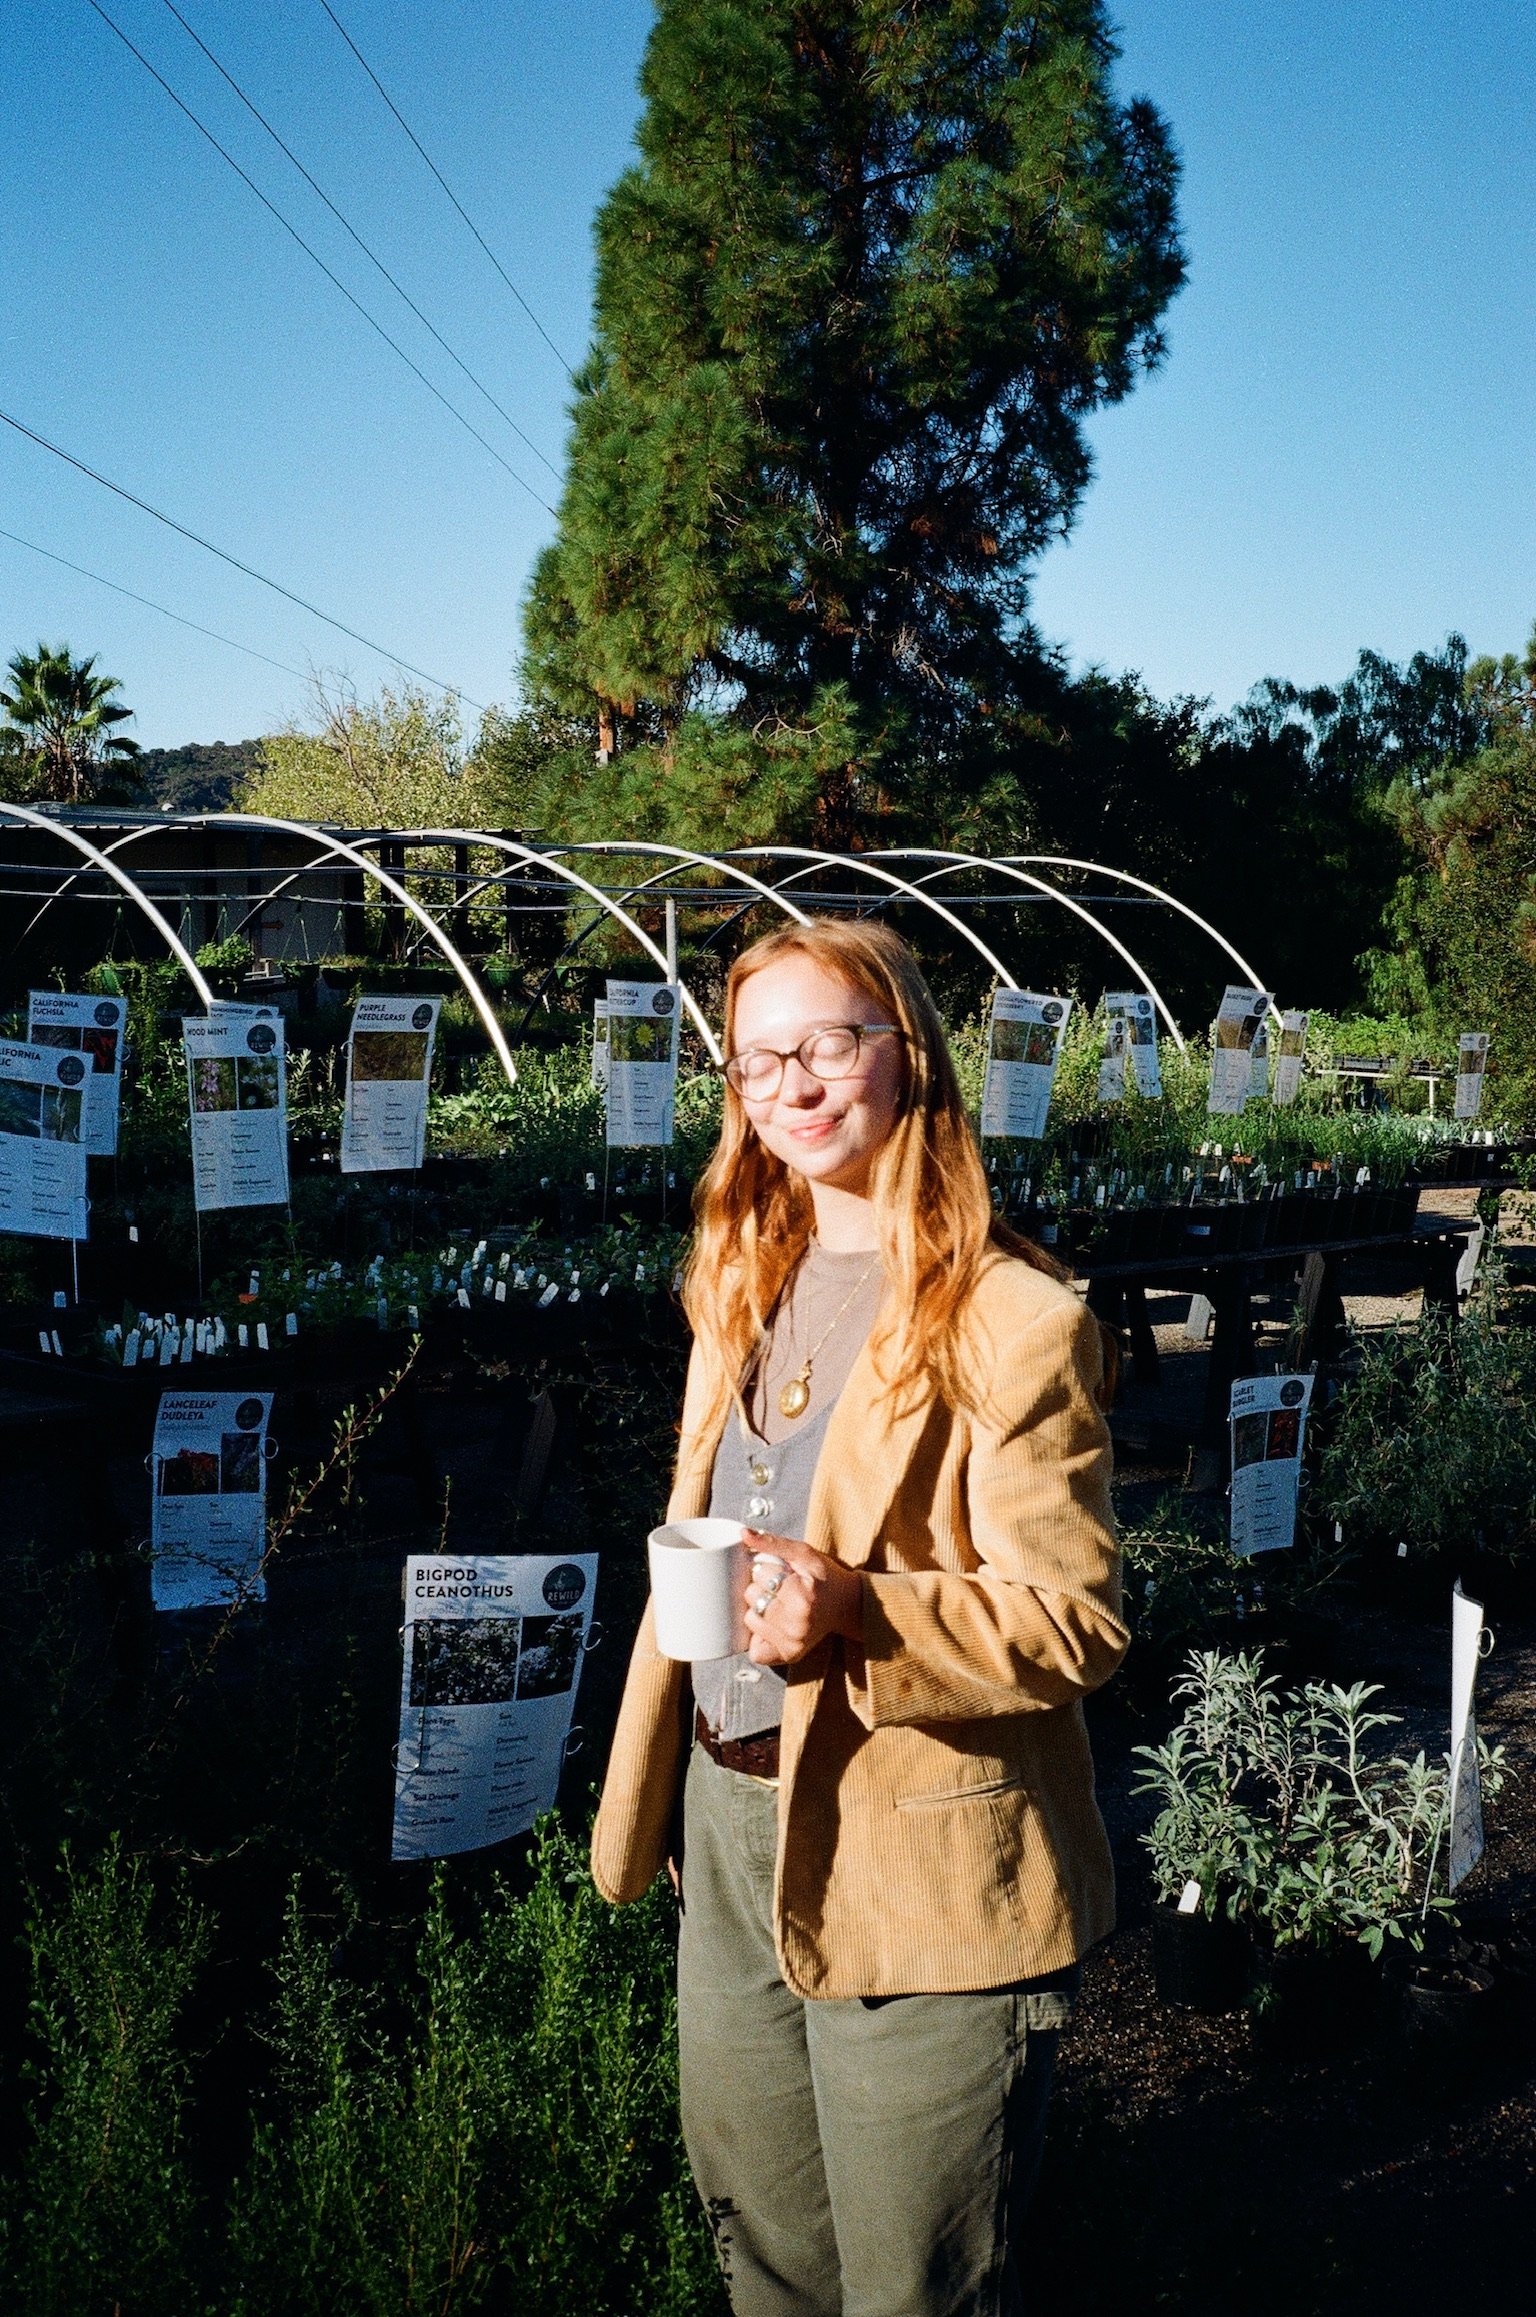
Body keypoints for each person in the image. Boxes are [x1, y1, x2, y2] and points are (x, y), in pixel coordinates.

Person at [592, 919, 1126, 2317]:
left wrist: (861, 1611)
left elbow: (1074, 1620)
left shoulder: (1015, 1317)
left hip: (919, 1851)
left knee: (914, 2290)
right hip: (730, 1819)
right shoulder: (742, 1281)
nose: (795, 1082)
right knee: (766, 2256)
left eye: (831, 1042)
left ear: (911, 1059)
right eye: (761, 1056)